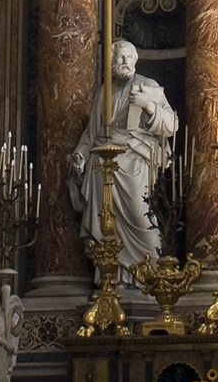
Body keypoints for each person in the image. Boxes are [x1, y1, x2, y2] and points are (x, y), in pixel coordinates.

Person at [68, 40, 179, 271]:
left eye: (129, 57)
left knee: (141, 217)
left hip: (135, 163)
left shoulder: (148, 86)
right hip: (103, 166)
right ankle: (113, 277)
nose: (125, 61)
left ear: (136, 60)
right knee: (106, 227)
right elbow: (92, 133)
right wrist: (80, 155)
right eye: (119, 57)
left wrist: (149, 105)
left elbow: (172, 124)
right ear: (111, 62)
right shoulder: (104, 92)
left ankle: (151, 271)